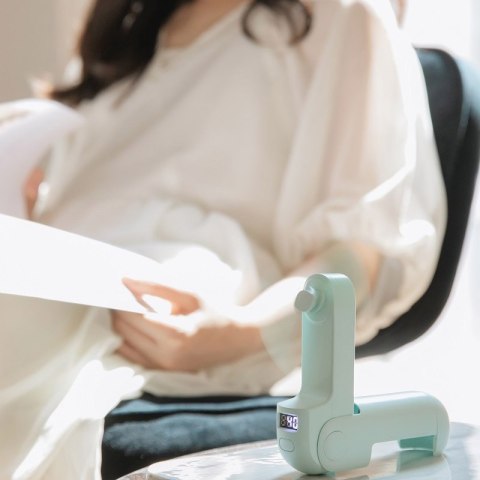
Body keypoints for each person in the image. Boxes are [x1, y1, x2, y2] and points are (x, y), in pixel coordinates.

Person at [2, 0, 446, 478]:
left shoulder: (339, 15)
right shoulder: (127, 29)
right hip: (62, 271)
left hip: (162, 293)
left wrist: (236, 333)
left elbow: (357, 254)